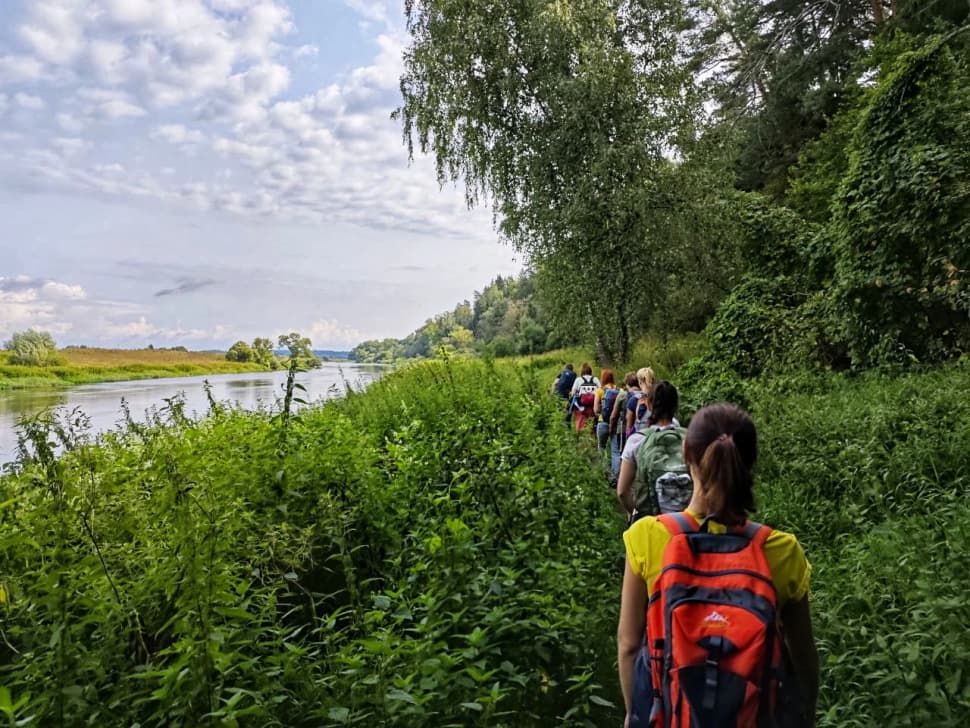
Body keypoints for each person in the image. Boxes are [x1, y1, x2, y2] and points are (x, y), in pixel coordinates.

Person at [617, 403, 819, 728]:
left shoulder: (647, 537)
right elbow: (802, 657)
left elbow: (629, 644)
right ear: (750, 462)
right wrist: (805, 714)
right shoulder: (782, 551)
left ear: (687, 454)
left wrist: (634, 714)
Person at [615, 381, 686, 521]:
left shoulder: (636, 441)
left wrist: (635, 513)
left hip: (649, 522)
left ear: (648, 405)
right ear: (676, 406)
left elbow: (622, 491)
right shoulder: (691, 439)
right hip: (683, 524)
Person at [593, 369, 622, 482]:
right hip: (615, 423)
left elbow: (595, 410)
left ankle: (603, 474)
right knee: (615, 451)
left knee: (601, 447)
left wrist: (600, 412)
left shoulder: (600, 391)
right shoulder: (620, 390)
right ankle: (615, 478)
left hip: (603, 422)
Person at [570, 362, 600, 433]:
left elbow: (573, 393)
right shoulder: (595, 379)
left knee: (580, 425)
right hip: (593, 406)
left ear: (582, 371)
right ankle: (592, 439)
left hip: (581, 407)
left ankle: (581, 438)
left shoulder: (578, 379)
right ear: (590, 371)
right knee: (592, 425)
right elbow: (600, 390)